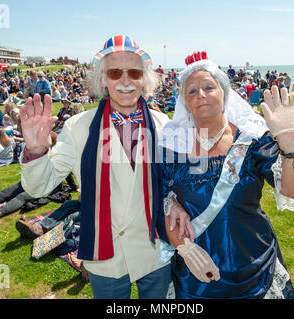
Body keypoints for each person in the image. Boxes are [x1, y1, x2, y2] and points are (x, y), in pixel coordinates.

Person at [19, 35, 181, 299]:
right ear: (103, 79)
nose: (126, 80)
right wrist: (36, 151)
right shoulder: (78, 126)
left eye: (134, 72)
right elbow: (39, 187)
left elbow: (180, 183)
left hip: (155, 251)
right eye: (115, 72)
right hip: (105, 256)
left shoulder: (165, 126)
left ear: (145, 78)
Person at [158, 52, 294, 299]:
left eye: (209, 87)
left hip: (254, 266)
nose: (200, 94)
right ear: (184, 102)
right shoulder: (172, 147)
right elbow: (160, 201)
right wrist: (185, 249)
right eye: (191, 91)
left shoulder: (252, 141)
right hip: (195, 271)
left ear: (225, 94)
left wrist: (288, 142)